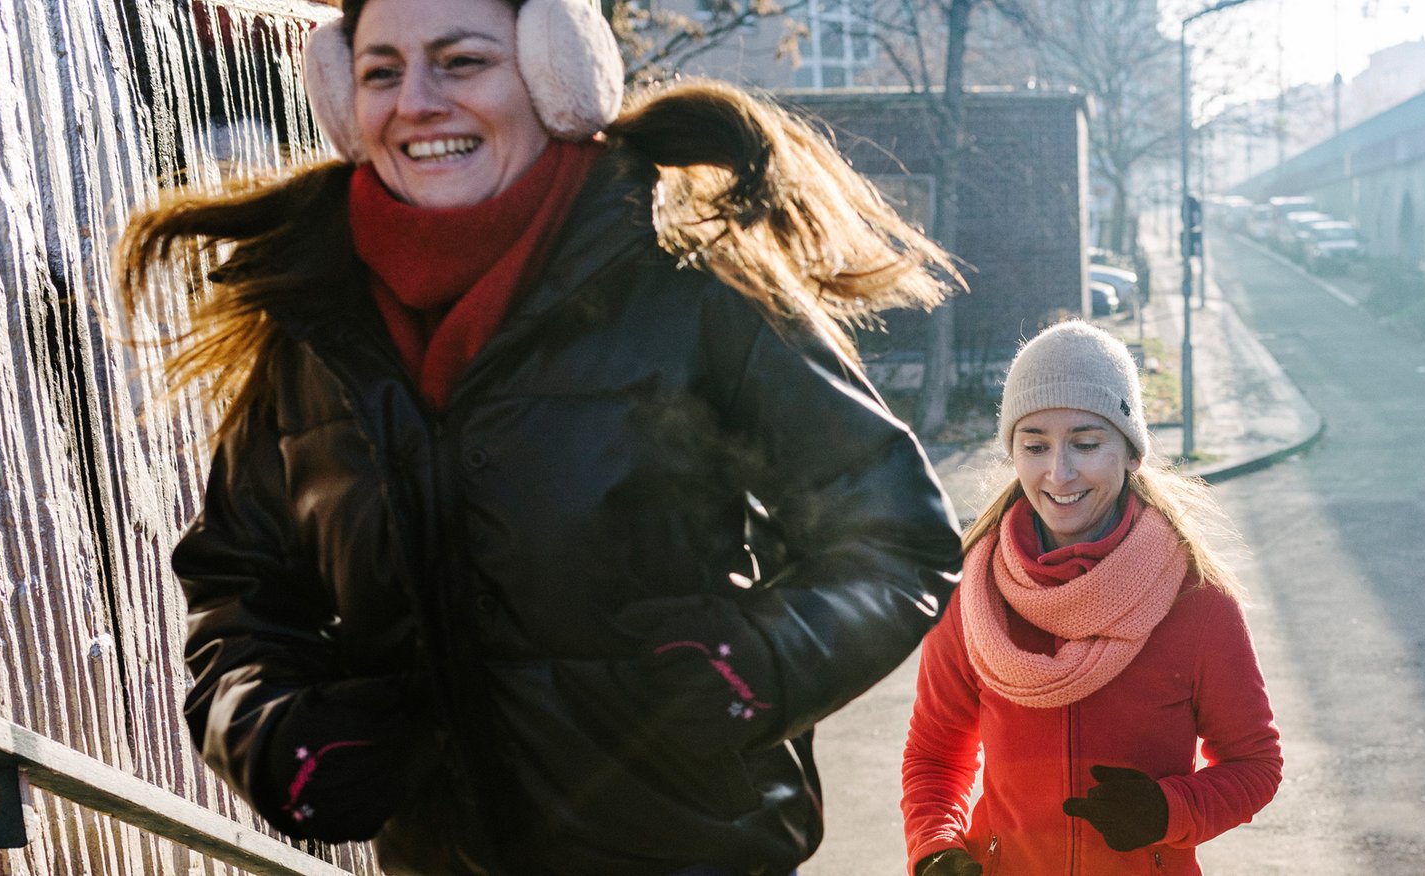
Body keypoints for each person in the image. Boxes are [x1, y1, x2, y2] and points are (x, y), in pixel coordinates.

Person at [115, 0, 963, 872]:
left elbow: (895, 539)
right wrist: (274, 732)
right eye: (380, 71)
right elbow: (238, 592)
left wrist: (753, 667)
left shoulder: (688, 280)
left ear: (558, 74)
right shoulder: (313, 323)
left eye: (461, 61)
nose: (416, 101)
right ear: (339, 96)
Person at [901, 322, 1283, 875]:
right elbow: (935, 757)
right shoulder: (973, 595)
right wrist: (936, 849)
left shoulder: (1197, 600)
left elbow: (1255, 764)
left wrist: (1166, 812)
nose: (1059, 472)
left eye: (1085, 443)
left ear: (1130, 453)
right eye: (1035, 445)